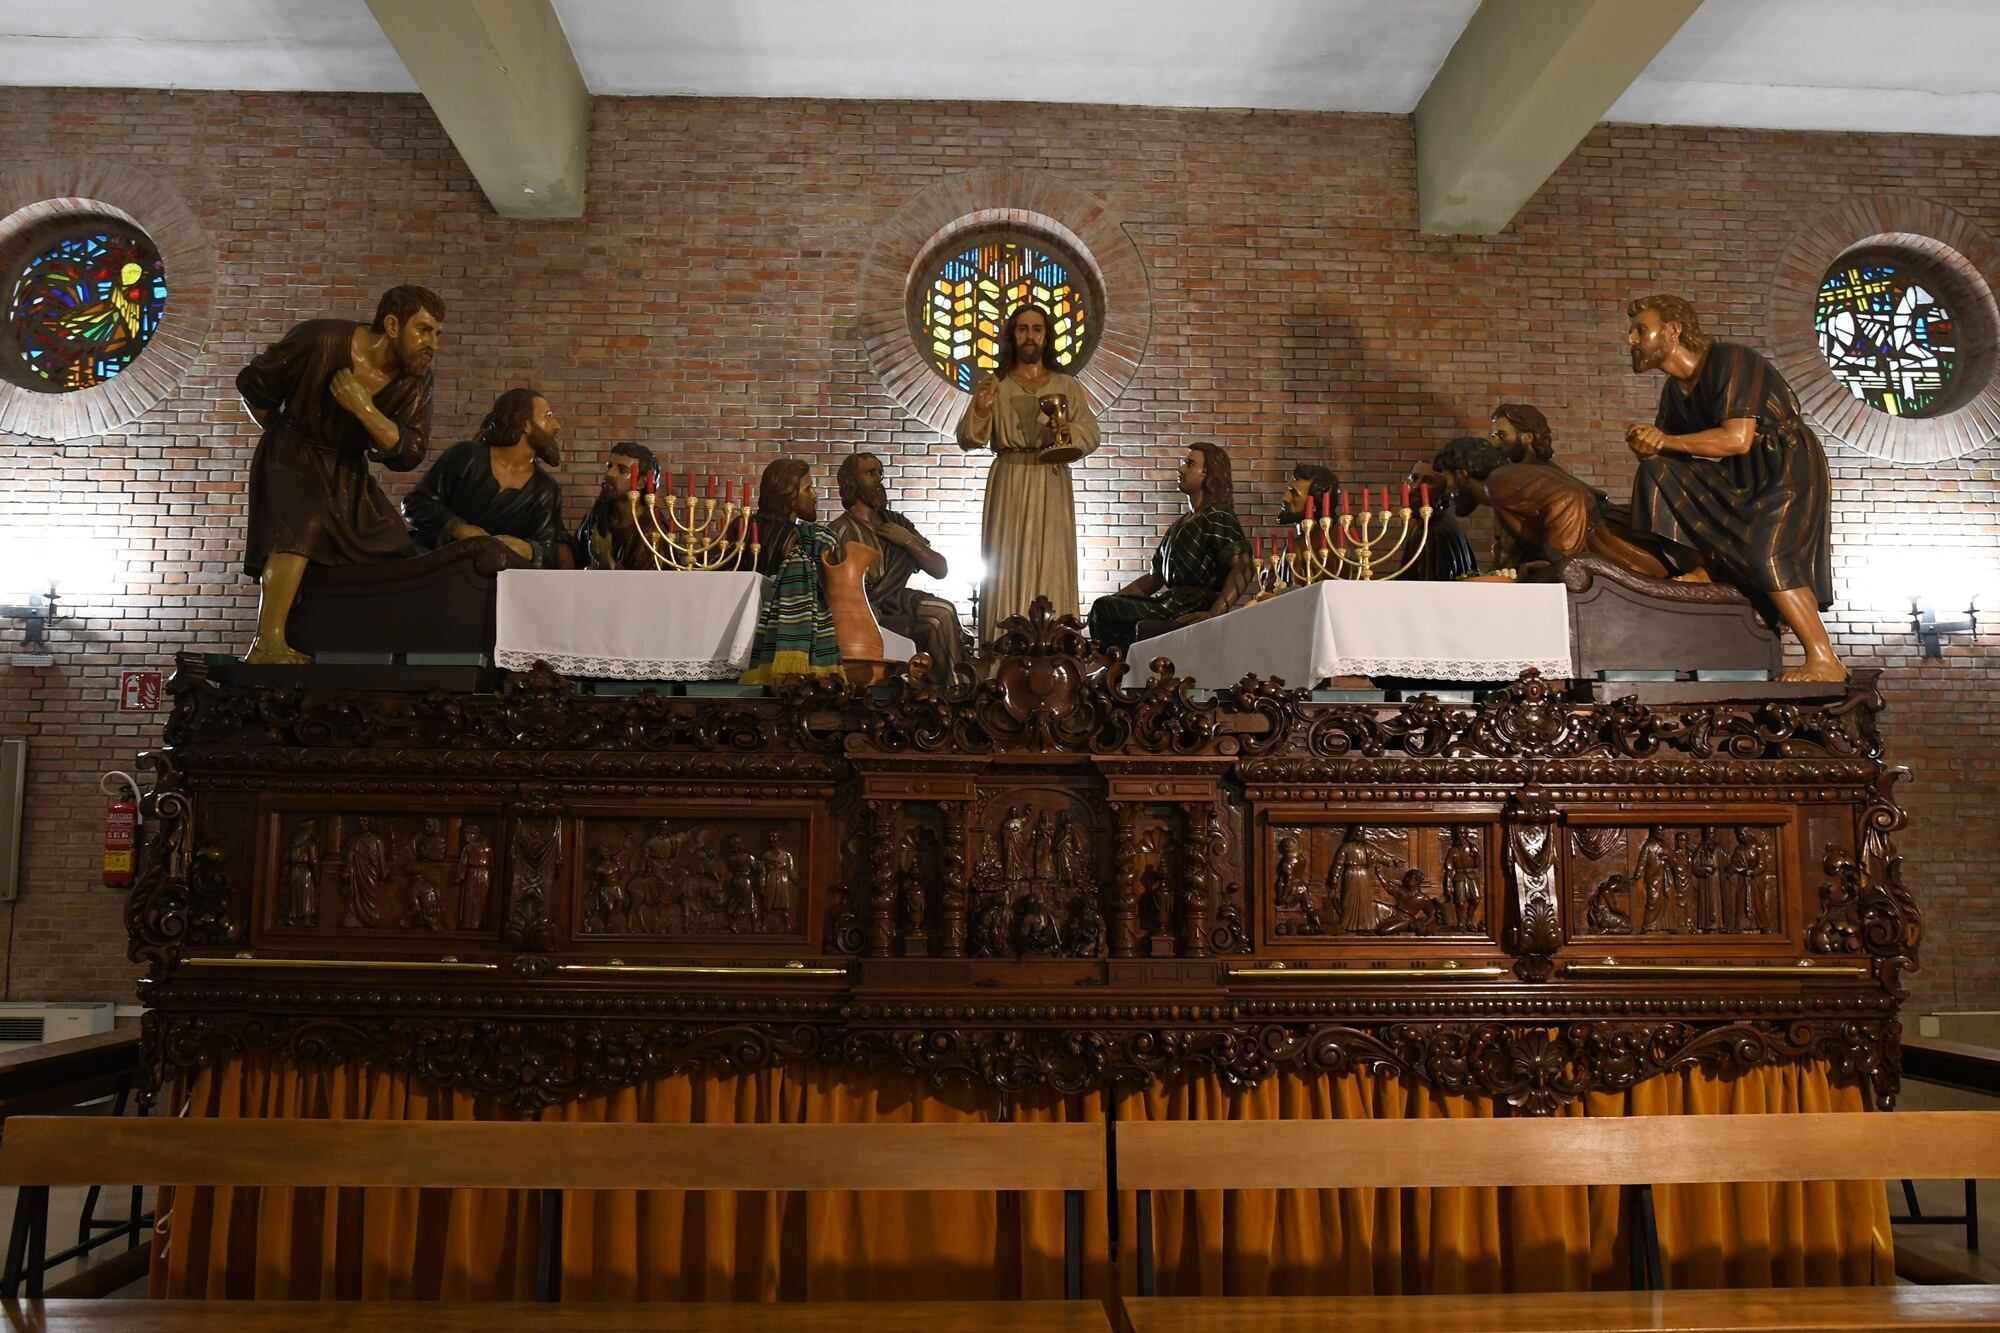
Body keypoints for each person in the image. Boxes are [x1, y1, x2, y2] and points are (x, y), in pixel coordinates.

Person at [1624, 293, 1841, 682]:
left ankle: (1823, 659)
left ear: (1673, 331)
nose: (1632, 339)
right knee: (1656, 471)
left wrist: (1663, 440)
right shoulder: (1675, 392)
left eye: (1641, 329)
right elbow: (1670, 458)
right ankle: (1702, 568)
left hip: (1783, 464)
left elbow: (1737, 439)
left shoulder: (1730, 359)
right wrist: (1647, 447)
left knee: (1767, 554)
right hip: (1737, 473)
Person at [236, 285, 445, 663]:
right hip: (293, 450)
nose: (432, 342)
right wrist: (280, 440)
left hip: (346, 466)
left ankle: (345, 637)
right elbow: (256, 385)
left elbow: (409, 453)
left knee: (393, 542)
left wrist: (363, 408)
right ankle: (268, 642)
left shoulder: (417, 381)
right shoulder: (320, 339)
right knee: (300, 531)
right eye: (425, 329)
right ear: (393, 325)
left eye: (437, 333)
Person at [953, 303, 1101, 642]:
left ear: (1047, 337)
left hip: (1051, 475)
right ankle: (1002, 655)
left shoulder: (1066, 385)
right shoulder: (997, 385)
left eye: (1037, 329)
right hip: (1010, 477)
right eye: (1022, 329)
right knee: (1006, 562)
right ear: (1012, 337)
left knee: (1052, 560)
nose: (1030, 336)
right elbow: (967, 437)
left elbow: (1091, 433)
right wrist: (981, 409)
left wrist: (1064, 433)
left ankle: (1057, 650)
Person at [1425, 437, 1674, 579]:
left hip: (1607, 540)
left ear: (1463, 474)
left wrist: (1555, 559)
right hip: (1596, 536)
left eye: (1447, 481)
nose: (1448, 493)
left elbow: (1569, 499)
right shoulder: (1504, 483)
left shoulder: (1498, 480)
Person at [1087, 442, 1252, 648]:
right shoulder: (1179, 525)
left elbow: (1243, 566)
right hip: (1170, 602)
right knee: (1103, 608)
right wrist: (1117, 599)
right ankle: (1124, 663)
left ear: (1207, 474)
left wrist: (1214, 613)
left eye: (1189, 464)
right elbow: (1153, 578)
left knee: (1104, 609)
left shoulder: (1218, 516)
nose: (1181, 469)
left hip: (1191, 605)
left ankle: (1125, 662)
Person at [827, 451, 967, 680]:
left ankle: (954, 690)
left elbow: (940, 569)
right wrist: (862, 607)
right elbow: (833, 586)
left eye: (880, 472)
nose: (878, 479)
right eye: (870, 473)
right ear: (852, 481)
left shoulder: (897, 523)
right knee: (936, 614)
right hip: (862, 607)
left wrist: (908, 541)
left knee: (943, 611)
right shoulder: (838, 531)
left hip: (900, 600)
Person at [404, 388, 566, 568]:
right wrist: (459, 529)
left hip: (493, 579)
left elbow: (548, 552)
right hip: (434, 566)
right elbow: (415, 504)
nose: (556, 426)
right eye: (548, 416)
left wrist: (527, 549)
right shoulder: (466, 456)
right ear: (525, 424)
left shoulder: (545, 489)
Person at [740, 459, 844, 686]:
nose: (815, 494)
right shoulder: (797, 538)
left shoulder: (742, 526)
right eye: (808, 488)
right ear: (788, 496)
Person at [575, 441, 661, 570]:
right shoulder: (598, 514)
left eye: (622, 470)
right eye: (609, 466)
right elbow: (577, 560)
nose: (610, 474)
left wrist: (605, 561)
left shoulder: (652, 527)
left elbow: (647, 583)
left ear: (641, 483)